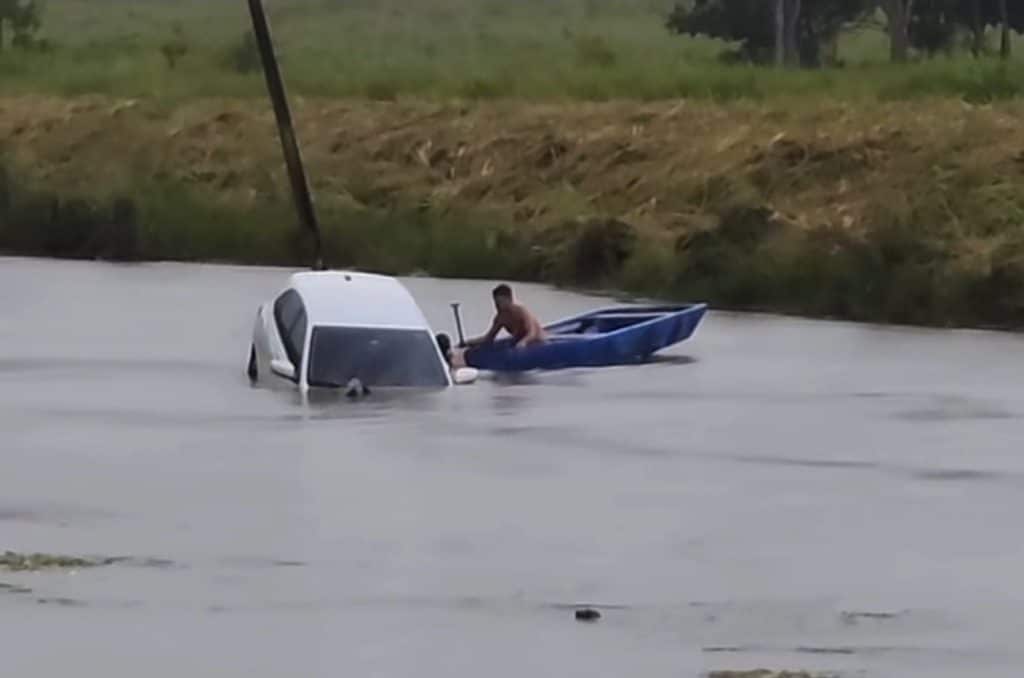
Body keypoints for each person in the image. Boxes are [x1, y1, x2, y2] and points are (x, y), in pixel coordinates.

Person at [464, 284, 546, 350]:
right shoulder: (500, 318)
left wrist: (523, 342)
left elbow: (532, 332)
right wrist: (469, 342)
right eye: (496, 303)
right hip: (518, 343)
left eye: (500, 302)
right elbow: (488, 338)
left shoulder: (521, 311)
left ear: (510, 300)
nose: (497, 306)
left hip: (537, 341)